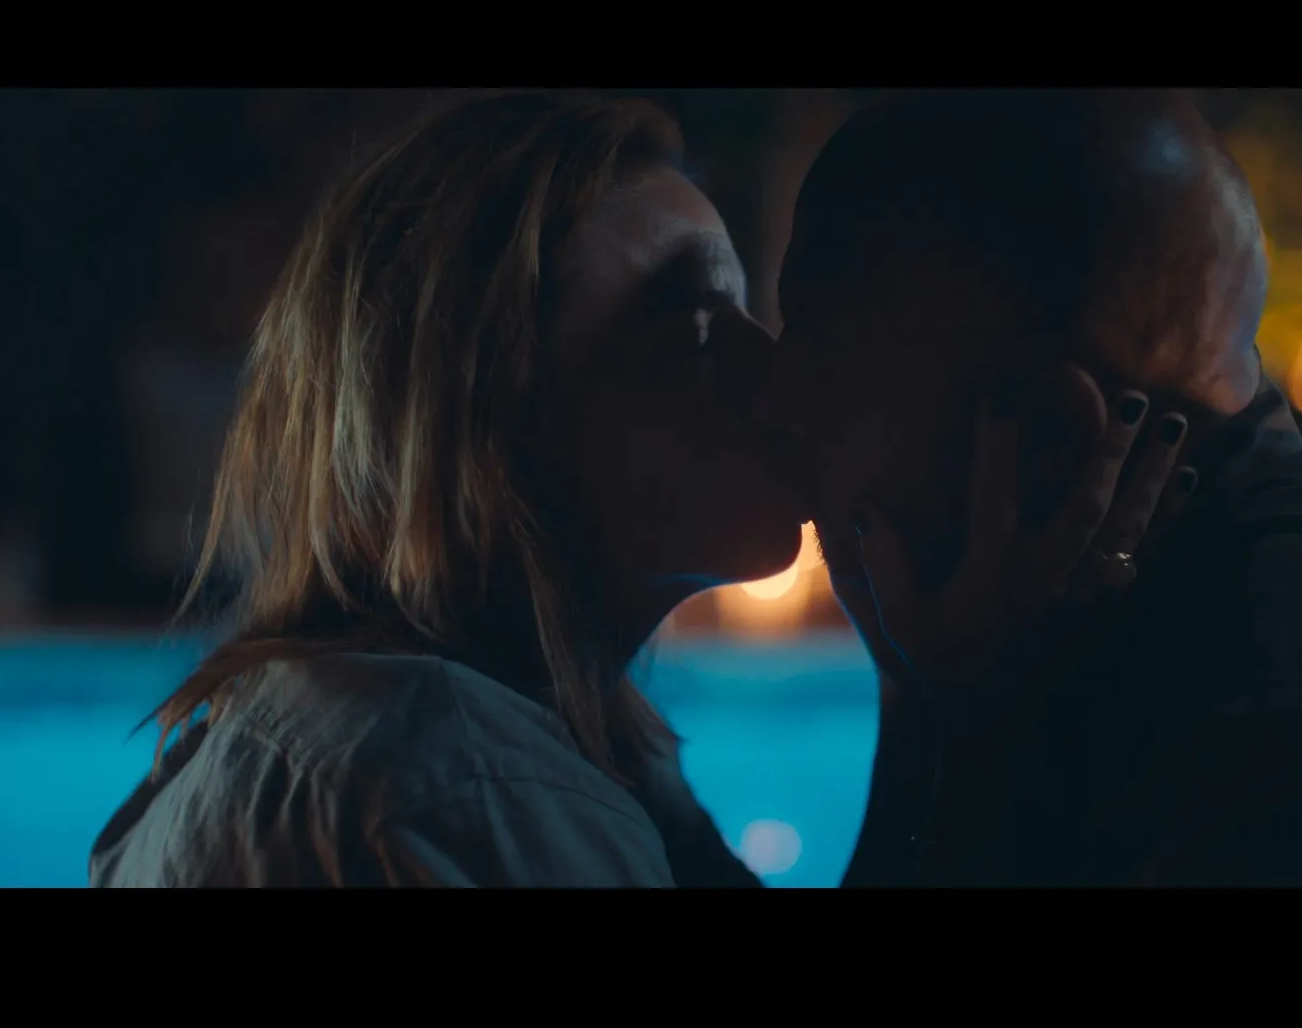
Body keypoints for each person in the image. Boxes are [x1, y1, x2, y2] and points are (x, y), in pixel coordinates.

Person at [87, 90, 1191, 887]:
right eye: (695, 326)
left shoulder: (564, 745)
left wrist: (926, 700)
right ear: (486, 423)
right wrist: (988, 726)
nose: (774, 366)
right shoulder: (458, 781)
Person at [759, 88, 1302, 886]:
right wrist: (938, 710)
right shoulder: (1193, 609)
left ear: (1050, 436)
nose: (774, 400)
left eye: (818, 349)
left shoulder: (1296, 743)